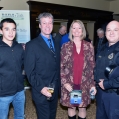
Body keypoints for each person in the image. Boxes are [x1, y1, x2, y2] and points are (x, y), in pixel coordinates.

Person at [24, 12, 60, 119]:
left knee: (52, 116)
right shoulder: (31, 45)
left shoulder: (56, 42)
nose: (47, 25)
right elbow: (30, 71)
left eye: (50, 23)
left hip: (54, 89)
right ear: (39, 25)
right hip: (41, 89)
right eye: (44, 23)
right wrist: (41, 88)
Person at [60, 20, 96, 119]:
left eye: (79, 28)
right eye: (74, 27)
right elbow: (61, 67)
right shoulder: (65, 47)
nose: (76, 30)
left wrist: (92, 84)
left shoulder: (89, 46)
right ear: (71, 30)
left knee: (82, 107)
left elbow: (92, 67)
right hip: (70, 84)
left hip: (84, 83)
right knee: (71, 107)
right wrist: (65, 82)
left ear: (82, 30)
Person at [0, 18, 25, 119]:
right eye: (7, 29)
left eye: (13, 29)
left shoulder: (19, 47)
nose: (11, 32)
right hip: (3, 93)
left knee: (20, 116)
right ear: (1, 31)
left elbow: (23, 65)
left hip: (20, 91)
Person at [94, 20, 119, 119]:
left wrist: (107, 84)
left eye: (115, 30)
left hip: (115, 97)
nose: (111, 32)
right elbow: (98, 68)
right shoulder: (103, 48)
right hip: (100, 94)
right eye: (109, 30)